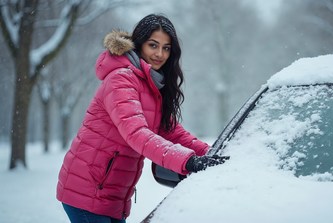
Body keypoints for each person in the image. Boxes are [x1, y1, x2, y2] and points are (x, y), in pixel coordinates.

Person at [56, 14, 229, 223]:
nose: (160, 54)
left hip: (111, 195)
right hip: (87, 189)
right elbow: (137, 134)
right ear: (139, 45)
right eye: (153, 45)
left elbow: (170, 130)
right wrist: (188, 161)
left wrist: (212, 153)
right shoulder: (122, 79)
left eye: (166, 48)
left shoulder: (151, 84)